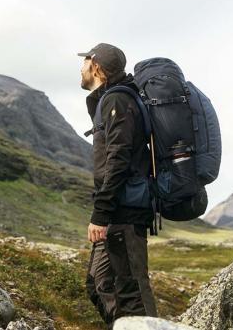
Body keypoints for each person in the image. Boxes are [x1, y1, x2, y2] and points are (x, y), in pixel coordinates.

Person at [78, 43, 158, 328]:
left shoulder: (117, 101)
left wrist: (100, 213)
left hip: (125, 212)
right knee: (99, 284)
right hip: (115, 212)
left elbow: (118, 159)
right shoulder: (108, 100)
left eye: (85, 60)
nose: (81, 67)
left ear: (96, 66)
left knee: (132, 291)